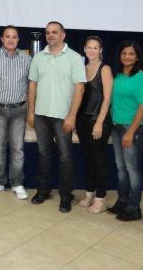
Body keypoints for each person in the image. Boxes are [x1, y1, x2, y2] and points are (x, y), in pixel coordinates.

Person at [28, 21, 86, 213]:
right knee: (44, 154)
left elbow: (80, 88)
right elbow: (33, 85)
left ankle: (65, 195)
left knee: (65, 157)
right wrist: (31, 112)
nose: (50, 35)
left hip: (63, 117)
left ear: (63, 35)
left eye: (54, 32)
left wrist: (72, 116)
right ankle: (43, 191)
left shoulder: (75, 58)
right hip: (41, 115)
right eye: (47, 32)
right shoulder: (38, 58)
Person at [0, 25, 31, 201]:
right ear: (2, 39)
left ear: (18, 40)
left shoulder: (26, 59)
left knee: (17, 149)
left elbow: (31, 86)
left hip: (19, 110)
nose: (11, 40)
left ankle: (17, 183)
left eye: (14, 37)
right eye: (7, 36)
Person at [108, 40, 143, 221]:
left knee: (132, 170)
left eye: (131, 54)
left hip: (131, 129)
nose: (127, 57)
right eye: (124, 53)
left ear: (137, 57)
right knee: (120, 167)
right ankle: (122, 202)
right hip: (116, 126)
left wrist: (130, 132)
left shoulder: (142, 78)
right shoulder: (117, 75)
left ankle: (134, 208)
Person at [76, 36, 113, 214]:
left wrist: (99, 122)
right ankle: (90, 193)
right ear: (84, 49)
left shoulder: (105, 69)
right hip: (83, 120)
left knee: (99, 160)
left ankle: (101, 197)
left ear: (101, 50)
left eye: (95, 48)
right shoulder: (82, 69)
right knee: (88, 158)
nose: (92, 50)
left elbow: (106, 99)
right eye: (89, 47)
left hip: (98, 121)